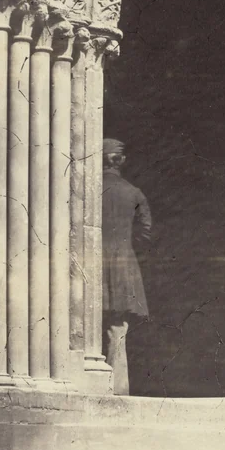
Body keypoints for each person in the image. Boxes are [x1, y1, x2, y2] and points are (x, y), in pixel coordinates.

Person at [102, 138, 151, 395]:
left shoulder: (86, 191)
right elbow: (145, 232)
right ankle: (118, 390)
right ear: (121, 161)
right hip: (123, 264)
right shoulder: (133, 192)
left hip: (90, 263)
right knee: (117, 327)